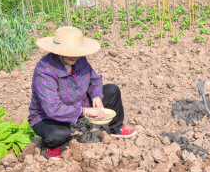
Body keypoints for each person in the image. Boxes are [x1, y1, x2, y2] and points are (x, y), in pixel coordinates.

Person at [29, 26, 137, 160]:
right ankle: (48, 145)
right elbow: (52, 108)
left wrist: (96, 96)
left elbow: (94, 79)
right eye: (69, 52)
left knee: (112, 90)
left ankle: (117, 129)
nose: (74, 56)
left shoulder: (80, 60)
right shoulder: (45, 71)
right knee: (59, 135)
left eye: (76, 52)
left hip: (78, 103)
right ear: (58, 51)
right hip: (48, 117)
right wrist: (86, 111)